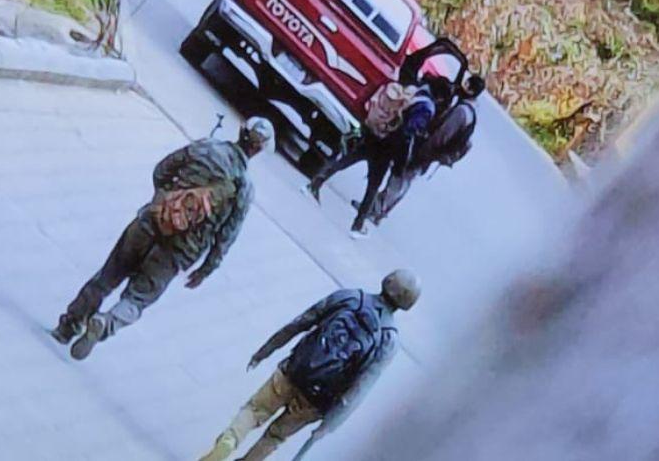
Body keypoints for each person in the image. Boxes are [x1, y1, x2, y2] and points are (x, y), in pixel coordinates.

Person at [50, 117, 275, 360]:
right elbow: (226, 237)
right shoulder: (244, 189)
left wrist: (163, 201)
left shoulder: (206, 146)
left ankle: (67, 327)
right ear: (258, 149)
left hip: (149, 223)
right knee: (137, 299)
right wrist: (206, 269)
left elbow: (161, 170)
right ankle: (106, 323)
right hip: (179, 251)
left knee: (106, 278)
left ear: (241, 130)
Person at [199, 269, 421, 461]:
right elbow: (359, 390)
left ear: (387, 280)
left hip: (292, 372)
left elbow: (302, 322)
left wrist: (266, 349)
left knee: (254, 411)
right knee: (275, 437)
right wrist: (329, 425)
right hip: (315, 401)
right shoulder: (388, 341)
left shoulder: (350, 297)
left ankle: (227, 443)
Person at [306, 82, 436, 237]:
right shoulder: (426, 108)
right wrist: (400, 163)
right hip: (386, 148)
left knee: (344, 161)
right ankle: (358, 225)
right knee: (373, 186)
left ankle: (314, 184)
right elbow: (408, 134)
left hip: (374, 134)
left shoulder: (410, 92)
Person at [367, 72, 485, 224]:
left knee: (401, 178)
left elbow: (441, 136)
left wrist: (421, 154)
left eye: (466, 85)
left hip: (428, 152)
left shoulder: (461, 111)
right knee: (404, 180)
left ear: (470, 90)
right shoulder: (471, 111)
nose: (461, 86)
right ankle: (379, 210)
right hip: (432, 154)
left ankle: (376, 210)